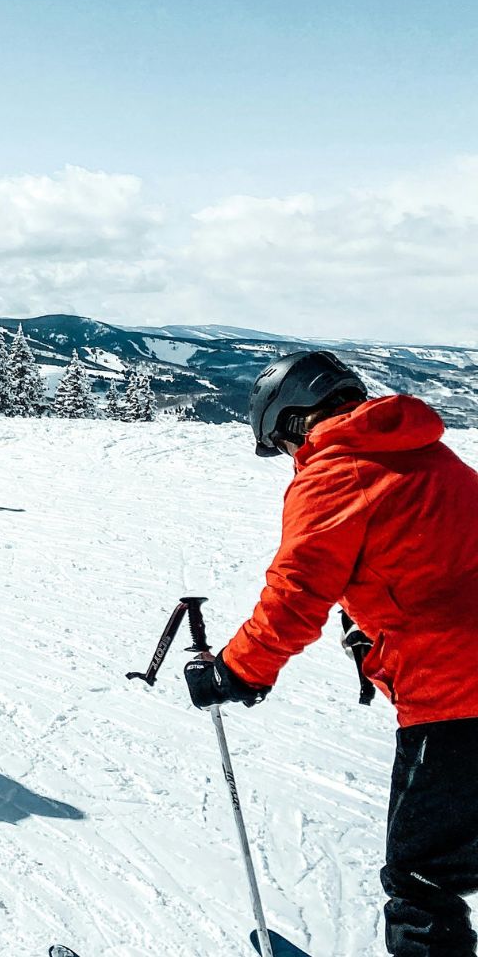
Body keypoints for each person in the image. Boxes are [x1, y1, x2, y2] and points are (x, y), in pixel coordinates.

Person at [183, 350, 478, 957]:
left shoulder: (335, 471)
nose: (291, 461)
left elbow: (296, 592)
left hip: (456, 695)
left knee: (423, 878)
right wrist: (375, 618)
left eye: (283, 447)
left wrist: (237, 670)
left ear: (293, 422)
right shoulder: (428, 453)